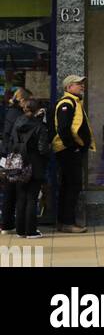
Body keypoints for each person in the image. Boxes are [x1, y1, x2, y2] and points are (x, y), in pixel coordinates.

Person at [53, 74, 94, 234]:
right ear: (69, 87)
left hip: (69, 151)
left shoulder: (74, 103)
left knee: (68, 186)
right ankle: (68, 223)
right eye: (78, 84)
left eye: (82, 84)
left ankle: (63, 222)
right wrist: (73, 147)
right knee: (72, 186)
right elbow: (63, 129)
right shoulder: (66, 104)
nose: (82, 86)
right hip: (68, 152)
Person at [9, 99, 52, 239]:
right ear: (37, 110)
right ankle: (31, 230)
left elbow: (11, 143)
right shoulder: (40, 126)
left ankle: (20, 230)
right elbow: (43, 149)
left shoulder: (17, 123)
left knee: (21, 197)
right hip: (34, 164)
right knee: (32, 198)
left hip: (18, 163)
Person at [1, 87, 32, 234]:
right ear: (23, 101)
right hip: (16, 155)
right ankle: (12, 224)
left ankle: (7, 224)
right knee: (17, 190)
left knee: (10, 189)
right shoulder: (18, 115)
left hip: (9, 154)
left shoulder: (11, 112)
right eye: (28, 101)